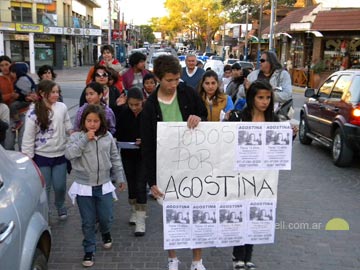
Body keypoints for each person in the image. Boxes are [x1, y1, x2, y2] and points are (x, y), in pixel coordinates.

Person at [141, 54, 208, 270]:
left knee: (196, 213)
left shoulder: (187, 92)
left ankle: (197, 260)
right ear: (158, 78)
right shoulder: (150, 106)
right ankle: (173, 258)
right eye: (169, 80)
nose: (173, 84)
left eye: (176, 79)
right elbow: (148, 146)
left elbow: (203, 114)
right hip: (166, 167)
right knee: (172, 215)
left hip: (193, 162)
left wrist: (198, 118)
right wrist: (151, 180)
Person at [65, 104, 126, 268]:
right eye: (89, 120)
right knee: (88, 221)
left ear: (102, 122)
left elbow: (115, 158)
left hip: (104, 184)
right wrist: (85, 139)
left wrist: (120, 177)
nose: (92, 124)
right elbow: (69, 154)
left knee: (106, 217)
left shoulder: (108, 138)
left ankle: (106, 232)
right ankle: (89, 249)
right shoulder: (77, 137)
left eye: (96, 121)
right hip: (84, 186)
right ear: (83, 121)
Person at [227, 80, 278, 270]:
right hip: (240, 175)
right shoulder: (239, 117)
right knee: (240, 214)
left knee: (254, 214)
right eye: (260, 97)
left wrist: (291, 135)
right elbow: (226, 142)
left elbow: (279, 150)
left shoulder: (274, 120)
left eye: (267, 98)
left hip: (263, 177)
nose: (264, 102)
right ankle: (237, 256)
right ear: (251, 98)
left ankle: (248, 256)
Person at [22, 80, 72, 220]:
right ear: (43, 94)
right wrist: (28, 157)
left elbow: (68, 124)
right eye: (53, 92)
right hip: (41, 156)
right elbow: (28, 137)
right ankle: (46, 209)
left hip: (60, 154)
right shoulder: (33, 112)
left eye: (58, 92)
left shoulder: (61, 107)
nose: (56, 95)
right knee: (46, 187)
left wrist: (72, 133)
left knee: (60, 185)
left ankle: (60, 204)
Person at [114, 87, 147, 236]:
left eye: (137, 105)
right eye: (131, 105)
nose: (134, 108)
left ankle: (141, 219)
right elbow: (118, 132)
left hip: (143, 155)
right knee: (132, 184)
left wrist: (144, 139)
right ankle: (133, 210)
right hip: (127, 153)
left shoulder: (148, 113)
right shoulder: (123, 113)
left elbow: (155, 133)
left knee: (141, 185)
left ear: (142, 102)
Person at [9, 62, 36, 131]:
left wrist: (17, 96)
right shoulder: (24, 78)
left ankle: (18, 121)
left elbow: (26, 94)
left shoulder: (22, 80)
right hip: (27, 100)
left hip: (27, 101)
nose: (11, 74)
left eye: (12, 72)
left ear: (17, 72)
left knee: (13, 106)